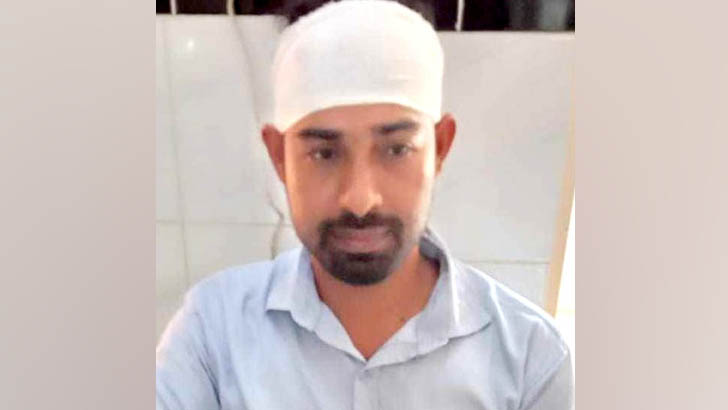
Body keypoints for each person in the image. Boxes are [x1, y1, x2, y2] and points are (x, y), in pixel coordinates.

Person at [155, 1, 573, 409]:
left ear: (440, 147)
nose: (359, 199)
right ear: (279, 156)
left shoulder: (531, 360)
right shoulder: (212, 334)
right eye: (324, 153)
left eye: (396, 149)